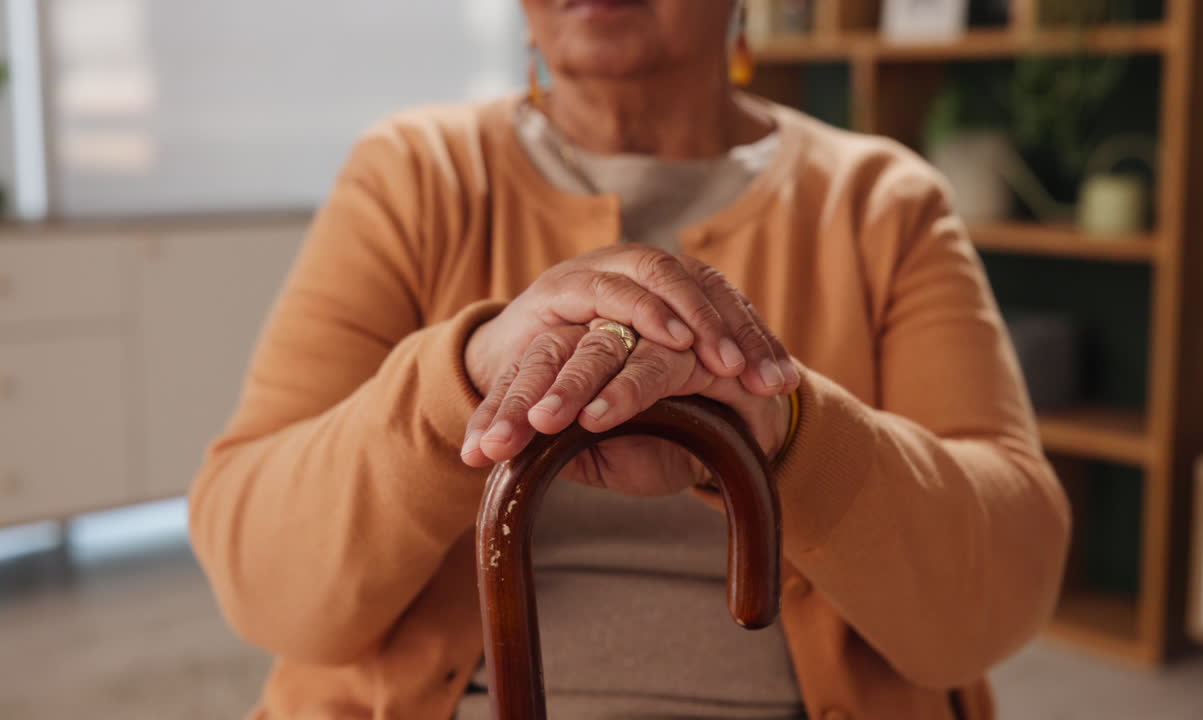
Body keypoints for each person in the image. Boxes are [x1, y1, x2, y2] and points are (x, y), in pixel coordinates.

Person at [189, 1, 1070, 718]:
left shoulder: (885, 202)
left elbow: (997, 597)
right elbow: (262, 581)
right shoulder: (412, 173)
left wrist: (790, 428)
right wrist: (463, 381)